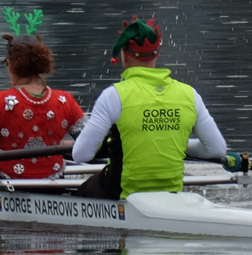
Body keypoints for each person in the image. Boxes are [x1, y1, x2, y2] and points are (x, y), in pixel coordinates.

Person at [69, 18, 230, 199]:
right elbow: (216, 149)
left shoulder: (113, 96)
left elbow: (81, 155)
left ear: (123, 54)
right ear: (156, 55)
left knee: (75, 196)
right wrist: (173, 143)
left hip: (125, 193)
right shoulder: (189, 94)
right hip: (171, 192)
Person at [0, 8, 85, 179]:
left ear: (10, 64)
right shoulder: (65, 100)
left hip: (9, 180)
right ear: (42, 64)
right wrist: (62, 144)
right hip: (52, 182)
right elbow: (88, 144)